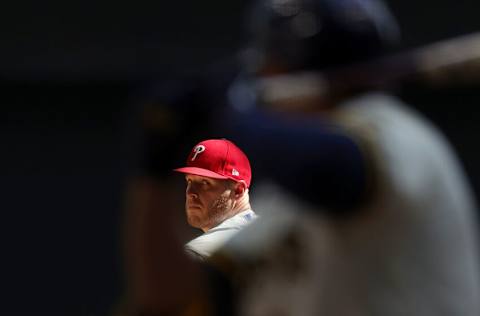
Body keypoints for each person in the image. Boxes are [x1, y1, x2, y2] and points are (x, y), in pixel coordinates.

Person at [119, 0, 480, 315]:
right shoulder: (277, 188)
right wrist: (153, 170)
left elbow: (329, 169)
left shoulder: (393, 132)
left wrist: (227, 113)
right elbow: (167, 296)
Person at [173, 138, 257, 260]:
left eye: (205, 182)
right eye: (189, 181)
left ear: (238, 190)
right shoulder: (269, 234)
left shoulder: (200, 251)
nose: (190, 192)